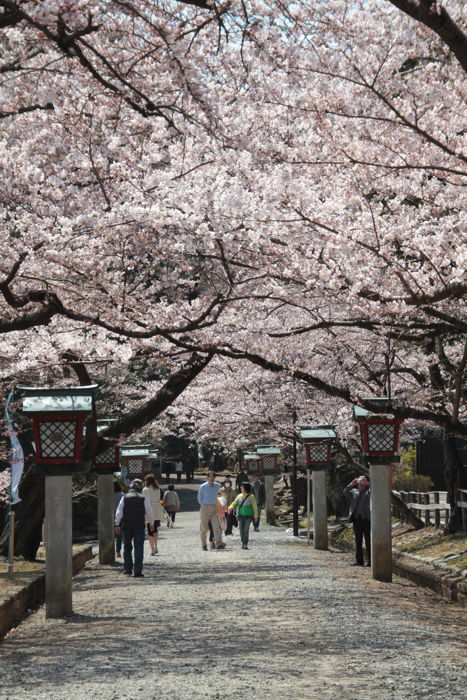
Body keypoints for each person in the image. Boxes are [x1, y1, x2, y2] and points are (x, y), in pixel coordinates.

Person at [115, 478, 153, 578]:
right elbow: (149, 511)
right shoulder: (143, 498)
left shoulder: (125, 497)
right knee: (139, 548)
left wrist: (117, 524)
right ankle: (137, 571)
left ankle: (127, 569)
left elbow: (119, 512)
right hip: (139, 525)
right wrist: (151, 522)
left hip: (126, 526)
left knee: (127, 547)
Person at [344, 476, 371, 567]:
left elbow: (375, 490)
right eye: (360, 481)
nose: (361, 483)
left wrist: (368, 484)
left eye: (364, 481)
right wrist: (352, 484)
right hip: (356, 519)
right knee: (358, 540)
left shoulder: (368, 492)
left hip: (367, 519)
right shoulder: (354, 492)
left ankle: (370, 561)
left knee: (368, 540)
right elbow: (345, 492)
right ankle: (359, 560)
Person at [198, 470, 225, 551]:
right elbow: (200, 498)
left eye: (213, 476)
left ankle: (218, 543)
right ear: (207, 477)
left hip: (215, 507)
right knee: (204, 527)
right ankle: (204, 545)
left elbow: (221, 496)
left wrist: (221, 506)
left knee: (216, 526)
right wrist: (203, 505)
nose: (212, 478)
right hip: (205, 507)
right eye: (210, 476)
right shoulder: (203, 486)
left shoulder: (218, 486)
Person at [229, 482, 258, 550]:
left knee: (246, 530)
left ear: (245, 488)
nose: (241, 488)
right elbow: (235, 503)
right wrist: (230, 507)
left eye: (242, 487)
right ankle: (243, 542)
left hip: (248, 516)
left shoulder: (251, 497)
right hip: (240, 516)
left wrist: (256, 516)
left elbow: (255, 507)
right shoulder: (239, 496)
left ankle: (245, 544)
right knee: (241, 530)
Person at [143, 474, 162, 556]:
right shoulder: (158, 489)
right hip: (157, 510)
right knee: (155, 530)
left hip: (149, 510)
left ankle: (152, 549)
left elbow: (145, 502)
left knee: (150, 530)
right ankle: (156, 546)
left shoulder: (145, 489)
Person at [114, 481, 124, 559]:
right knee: (120, 536)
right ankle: (119, 551)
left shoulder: (109, 495)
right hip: (121, 518)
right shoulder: (123, 495)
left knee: (117, 536)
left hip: (112, 517)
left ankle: (117, 551)